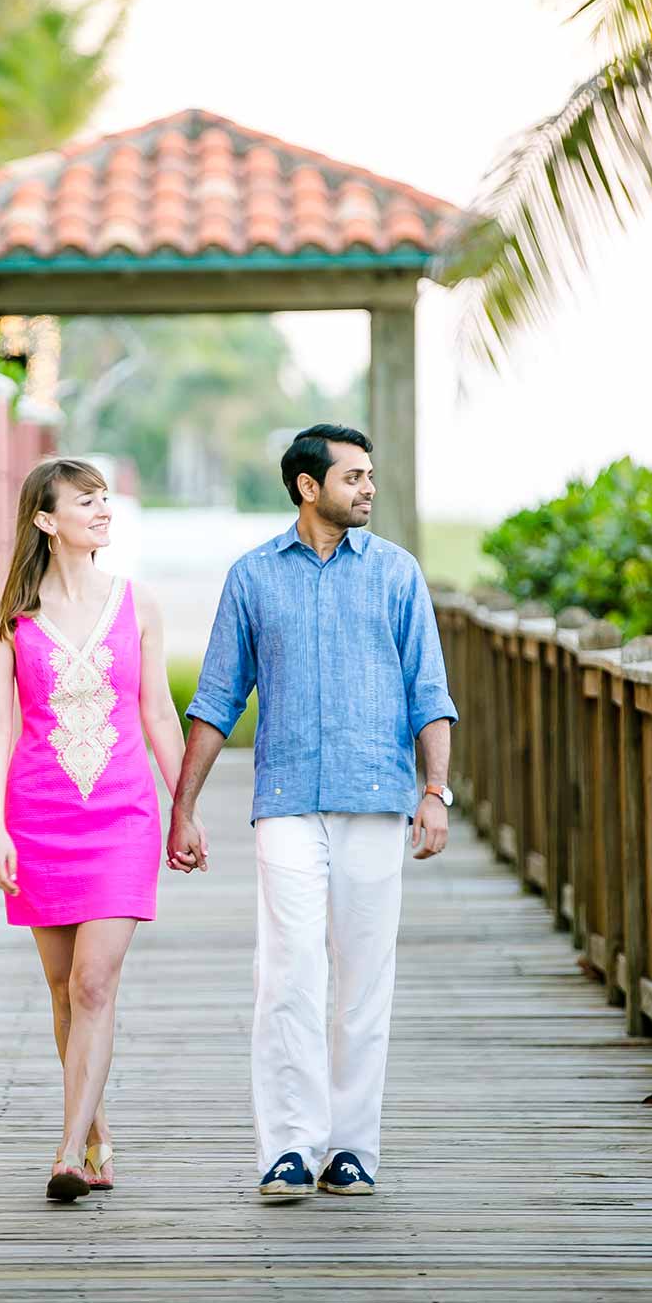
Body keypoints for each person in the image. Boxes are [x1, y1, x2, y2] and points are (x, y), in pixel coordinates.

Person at [167, 425, 457, 1202]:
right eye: (353, 476)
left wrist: (435, 792)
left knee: (364, 978)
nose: (367, 488)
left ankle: (353, 1147)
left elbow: (429, 692)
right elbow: (218, 698)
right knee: (289, 972)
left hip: (376, 800)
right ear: (308, 486)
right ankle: (290, 1147)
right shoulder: (254, 576)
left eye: (370, 475)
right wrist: (183, 806)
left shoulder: (397, 574)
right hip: (286, 801)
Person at [0, 458, 189, 1202]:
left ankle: (67, 1149)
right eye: (87, 501)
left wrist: (184, 804)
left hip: (123, 814)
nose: (104, 511)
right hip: (39, 815)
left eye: (105, 500)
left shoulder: (138, 602)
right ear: (45, 518)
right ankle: (95, 1128)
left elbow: (157, 711)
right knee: (64, 989)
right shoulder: (11, 615)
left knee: (96, 980)